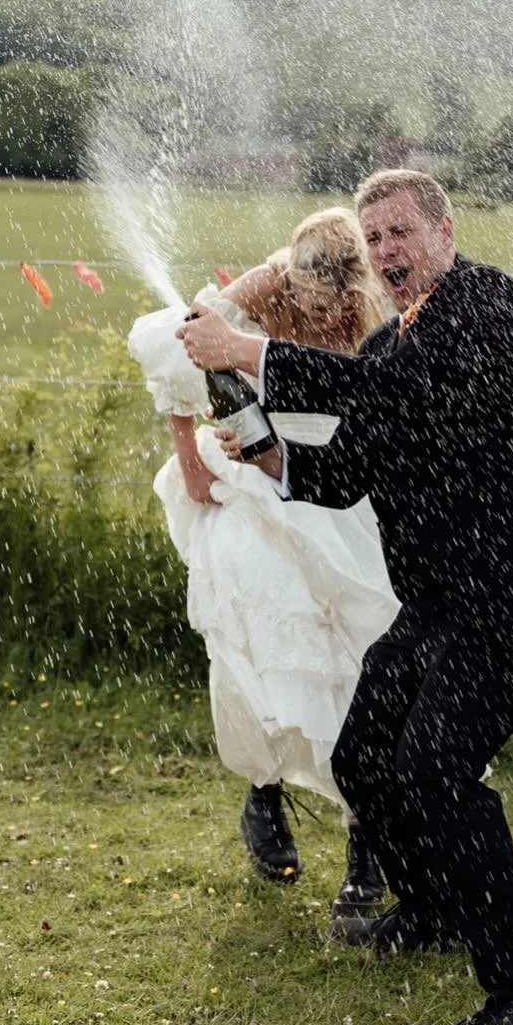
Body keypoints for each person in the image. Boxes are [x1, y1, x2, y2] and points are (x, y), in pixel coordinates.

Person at [180, 169, 513, 1025]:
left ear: (442, 232)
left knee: (433, 772)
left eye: (398, 233)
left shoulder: (485, 304)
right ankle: (429, 910)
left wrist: (245, 352)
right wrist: (263, 449)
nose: (385, 252)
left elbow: (399, 394)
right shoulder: (391, 350)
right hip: (439, 603)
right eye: (372, 238)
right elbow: (344, 468)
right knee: (364, 755)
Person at [129, 207, 398, 914]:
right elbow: (172, 337)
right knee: (258, 642)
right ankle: (264, 796)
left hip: (339, 480)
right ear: (293, 275)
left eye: (339, 299)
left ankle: (363, 841)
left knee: (357, 653)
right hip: (252, 474)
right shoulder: (265, 284)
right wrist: (189, 455)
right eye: (314, 298)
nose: (326, 312)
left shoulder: (377, 307)